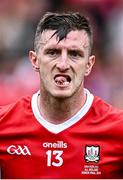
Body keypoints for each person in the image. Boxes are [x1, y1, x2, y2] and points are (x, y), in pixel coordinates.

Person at [0, 11, 123, 179]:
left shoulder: (118, 130)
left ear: (89, 64)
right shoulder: (4, 124)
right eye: (52, 52)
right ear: (34, 60)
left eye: (74, 54)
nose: (63, 64)